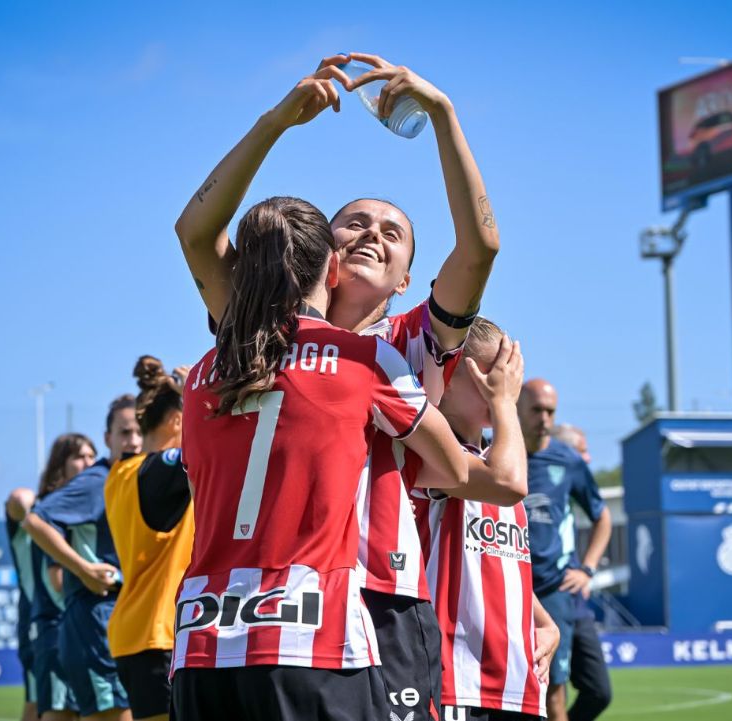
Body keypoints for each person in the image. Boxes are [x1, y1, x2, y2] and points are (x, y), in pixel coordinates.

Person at [175, 51, 500, 721]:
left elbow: (480, 247)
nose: (373, 233)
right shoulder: (254, 327)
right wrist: (274, 123)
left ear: (410, 277)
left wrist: (442, 115)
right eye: (355, 221)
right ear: (323, 250)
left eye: (395, 232)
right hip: (279, 609)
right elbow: (196, 235)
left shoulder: (411, 338)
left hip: (381, 594)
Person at [170, 196, 467, 721]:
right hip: (314, 633)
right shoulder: (365, 357)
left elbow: (195, 231)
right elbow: (456, 469)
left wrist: (276, 121)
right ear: (331, 268)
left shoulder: (201, 374)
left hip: (201, 639)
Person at [417, 318, 559, 721]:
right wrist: (502, 404)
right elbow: (509, 482)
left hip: (519, 682)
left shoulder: (499, 456)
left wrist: (545, 623)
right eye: (493, 372)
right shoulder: (428, 454)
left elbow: (498, 561)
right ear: (449, 372)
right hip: (457, 680)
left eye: (510, 373)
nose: (504, 383)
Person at [24, 397, 143, 721]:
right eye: (125, 432)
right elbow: (35, 520)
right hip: (94, 616)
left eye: (139, 431)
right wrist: (84, 568)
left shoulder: (137, 477)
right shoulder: (97, 480)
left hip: (127, 616)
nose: (133, 440)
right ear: (108, 438)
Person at [518, 380, 613, 721]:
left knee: (573, 690)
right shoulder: (496, 450)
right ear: (516, 406)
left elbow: (603, 517)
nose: (544, 418)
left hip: (555, 588)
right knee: (540, 690)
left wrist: (586, 569)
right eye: (536, 410)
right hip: (513, 588)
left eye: (550, 411)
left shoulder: (567, 460)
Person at [105, 356, 193, 721]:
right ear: (176, 420)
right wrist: (198, 397)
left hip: (135, 632)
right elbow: (213, 449)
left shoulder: (121, 472)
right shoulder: (159, 470)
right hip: (159, 634)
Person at [26, 432, 97, 721]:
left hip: (79, 627)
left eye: (92, 456)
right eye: (79, 457)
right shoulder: (56, 509)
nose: (88, 463)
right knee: (60, 713)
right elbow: (57, 583)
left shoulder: (87, 503)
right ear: (61, 465)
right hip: (57, 629)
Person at [5, 486, 39, 721]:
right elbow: (18, 499)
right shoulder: (35, 513)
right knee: (37, 703)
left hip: (79, 620)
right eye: (79, 456)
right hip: (38, 622)